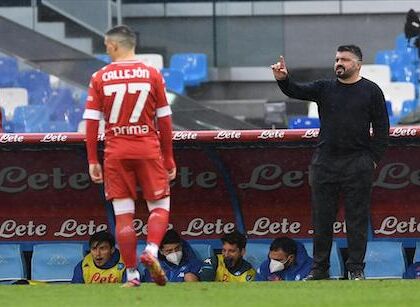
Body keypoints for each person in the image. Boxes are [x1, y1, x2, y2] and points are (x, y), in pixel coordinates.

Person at [271, 45, 389, 280]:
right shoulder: (324, 88)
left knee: (356, 220)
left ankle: (356, 269)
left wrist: (373, 159)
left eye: (344, 59)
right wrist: (283, 80)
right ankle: (320, 269)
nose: (338, 63)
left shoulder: (371, 91)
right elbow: (296, 90)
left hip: (358, 163)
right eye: (336, 59)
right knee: (322, 220)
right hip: (325, 163)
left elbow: (382, 128)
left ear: (358, 64)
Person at [83, 25, 176, 287]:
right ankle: (152, 251)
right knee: (159, 206)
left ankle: (133, 274)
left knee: (123, 214)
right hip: (147, 148)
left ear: (113, 46)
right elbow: (165, 121)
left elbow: (91, 122)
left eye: (105, 45)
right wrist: (169, 158)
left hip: (116, 152)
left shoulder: (100, 76)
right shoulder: (151, 74)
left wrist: (92, 159)